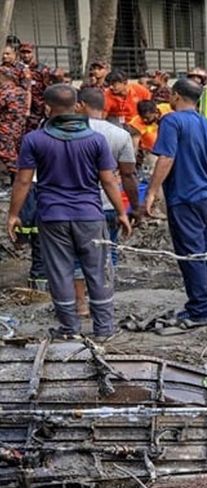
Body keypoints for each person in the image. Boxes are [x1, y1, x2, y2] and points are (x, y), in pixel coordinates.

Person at [5, 84, 131, 339]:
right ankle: (104, 329)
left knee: (60, 270)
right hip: (90, 215)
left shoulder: (35, 139)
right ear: (76, 105)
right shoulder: (95, 140)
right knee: (97, 269)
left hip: (52, 216)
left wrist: (13, 214)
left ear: (48, 107)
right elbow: (108, 180)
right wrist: (121, 212)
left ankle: (69, 328)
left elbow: (23, 181)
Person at [143, 78, 207, 328]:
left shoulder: (172, 121)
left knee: (191, 253)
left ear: (176, 96)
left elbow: (166, 157)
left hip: (185, 196)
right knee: (206, 247)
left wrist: (151, 192)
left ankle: (198, 308)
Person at [77, 87, 141, 313]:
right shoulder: (120, 134)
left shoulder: (69, 132)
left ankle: (81, 304)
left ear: (81, 105)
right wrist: (134, 207)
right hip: (109, 203)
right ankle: (104, 300)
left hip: (79, 206)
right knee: (109, 251)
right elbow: (129, 174)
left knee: (79, 255)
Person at [0, 67, 28, 183]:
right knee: (14, 156)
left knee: (9, 158)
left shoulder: (5, 92)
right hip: (18, 129)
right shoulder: (21, 91)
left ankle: (15, 183)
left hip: (5, 130)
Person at [19, 43, 49, 131]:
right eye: (23, 52)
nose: (25, 55)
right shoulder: (17, 69)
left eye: (28, 52)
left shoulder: (41, 69)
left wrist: (47, 105)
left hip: (38, 107)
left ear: (33, 53)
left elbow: (47, 87)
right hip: (21, 105)